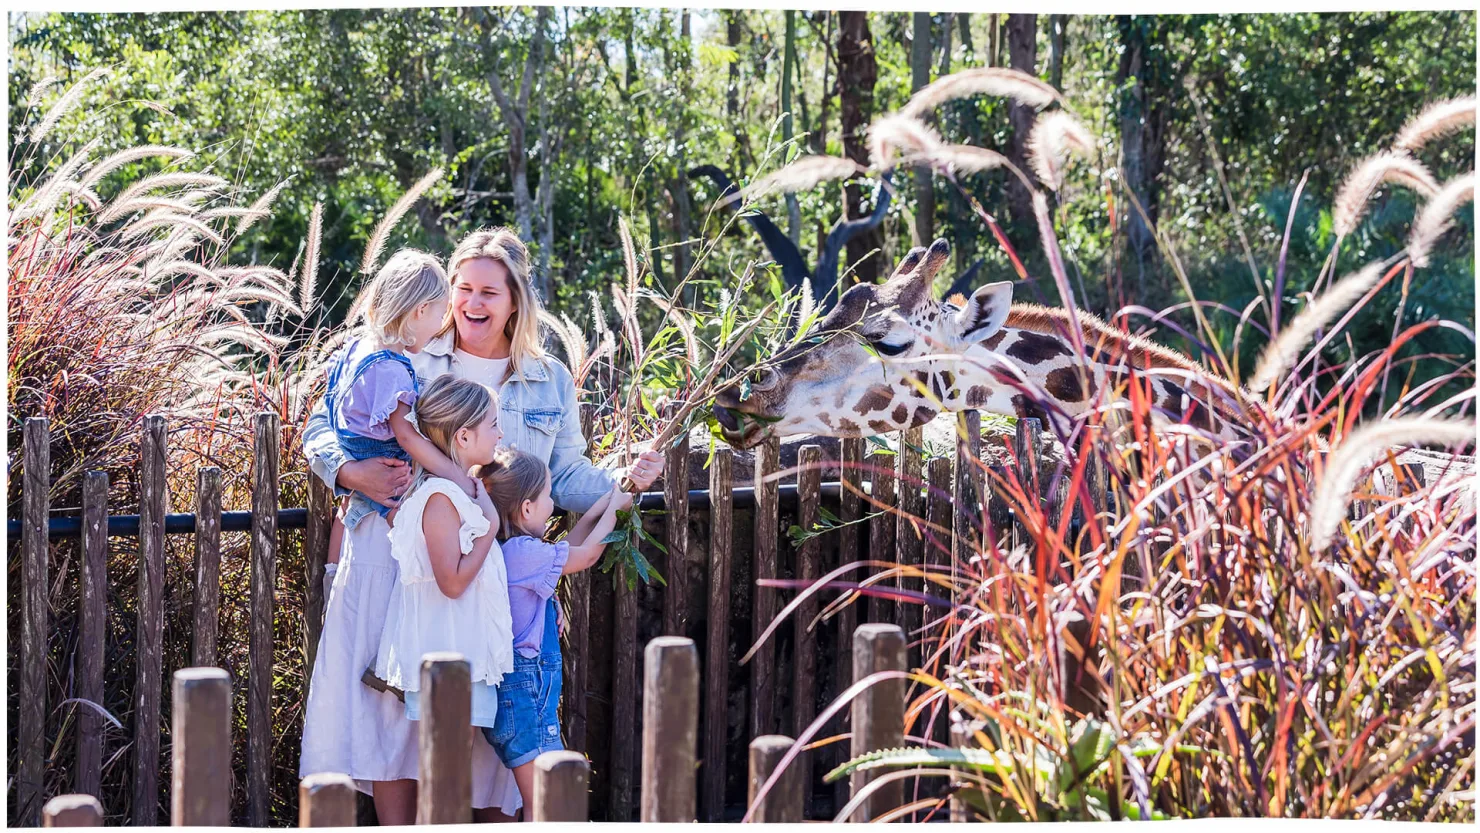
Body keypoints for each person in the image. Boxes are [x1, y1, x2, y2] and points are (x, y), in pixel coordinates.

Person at [300, 227, 667, 823]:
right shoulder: (410, 348)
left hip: (489, 568)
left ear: (516, 300)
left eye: (488, 292)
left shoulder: (547, 377)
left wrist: (628, 478)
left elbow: (565, 474)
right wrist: (348, 473)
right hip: (405, 557)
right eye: (462, 288)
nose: (471, 303)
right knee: (394, 713)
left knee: (482, 722)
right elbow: (327, 420)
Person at [476, 448, 631, 809]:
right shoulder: (523, 554)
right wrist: (616, 512)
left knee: (542, 801)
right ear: (527, 508)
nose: (553, 504)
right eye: (548, 496)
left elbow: (569, 545)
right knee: (549, 803)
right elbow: (587, 554)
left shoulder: (506, 549)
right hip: (527, 693)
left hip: (517, 697)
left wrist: (605, 504)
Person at [373, 377, 515, 743]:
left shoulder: (460, 493)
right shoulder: (440, 498)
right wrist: (491, 527)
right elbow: (451, 583)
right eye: (494, 425)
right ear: (464, 437)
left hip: (465, 654)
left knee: (454, 766)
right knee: (446, 768)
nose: (500, 435)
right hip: (449, 658)